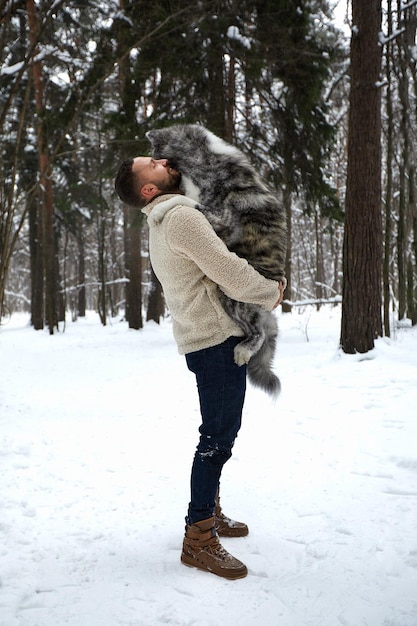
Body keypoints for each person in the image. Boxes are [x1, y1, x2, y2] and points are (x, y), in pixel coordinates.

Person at [115, 157, 284, 580]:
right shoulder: (180, 220)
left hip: (205, 339)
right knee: (216, 440)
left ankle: (211, 510)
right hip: (215, 341)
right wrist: (269, 293)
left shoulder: (163, 220)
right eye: (150, 165)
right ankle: (199, 538)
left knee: (219, 433)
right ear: (149, 190)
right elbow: (227, 271)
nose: (162, 161)